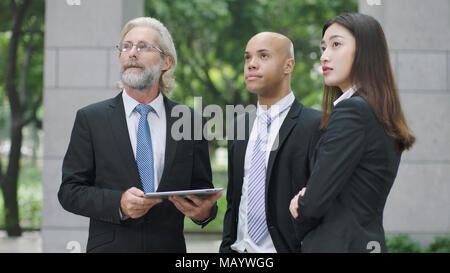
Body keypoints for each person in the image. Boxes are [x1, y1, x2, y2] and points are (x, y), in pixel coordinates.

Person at [58, 17, 221, 253]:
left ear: (166, 62)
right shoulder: (91, 119)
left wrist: (204, 213)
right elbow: (69, 191)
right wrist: (119, 203)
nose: (132, 53)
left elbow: (201, 189)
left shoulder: (191, 121)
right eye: (126, 46)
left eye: (143, 46)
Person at [289, 13, 416, 253]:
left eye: (336, 44)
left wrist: (301, 204)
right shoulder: (377, 111)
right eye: (324, 47)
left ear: (366, 51)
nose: (325, 56)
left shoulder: (353, 111)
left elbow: (314, 202)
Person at [219, 32, 322, 253]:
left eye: (263, 56)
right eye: (247, 57)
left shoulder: (316, 125)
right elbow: (234, 201)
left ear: (288, 65)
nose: (251, 64)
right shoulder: (239, 125)